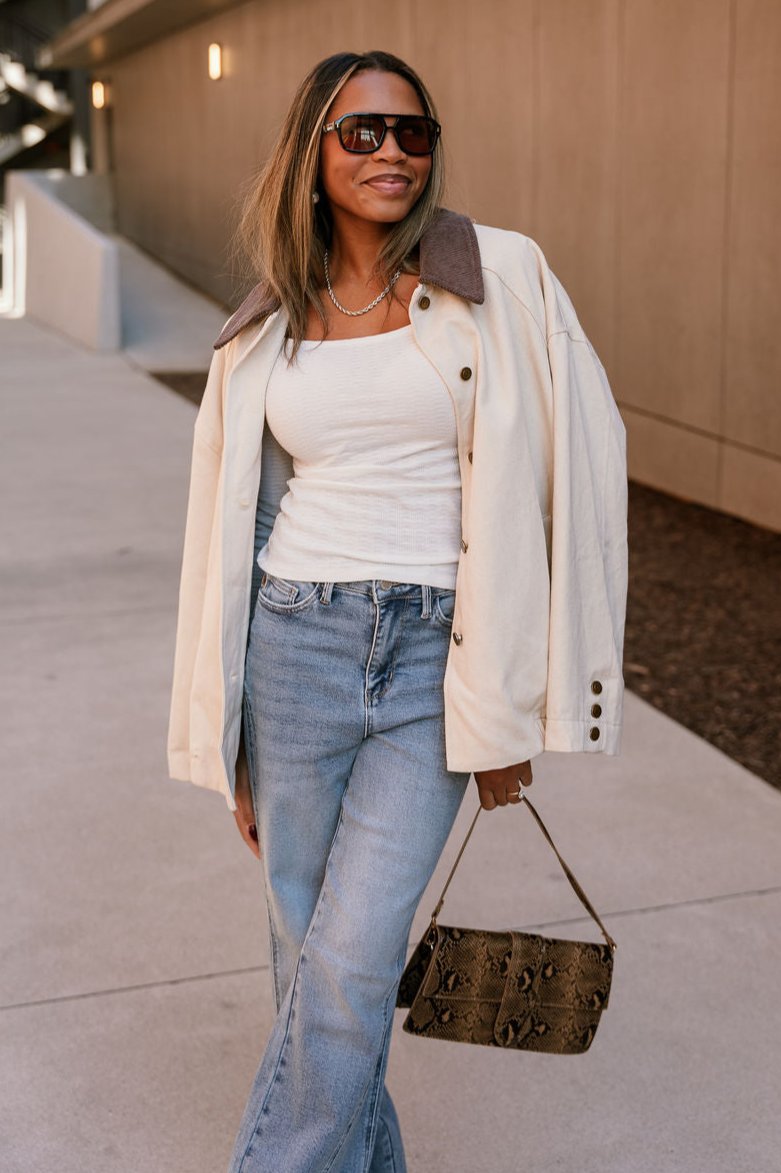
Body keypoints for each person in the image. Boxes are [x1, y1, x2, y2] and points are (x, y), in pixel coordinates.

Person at [167, 48, 628, 1173]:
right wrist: (232, 733)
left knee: (352, 963)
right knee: (310, 959)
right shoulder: (270, 311)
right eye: (361, 131)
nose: (390, 151)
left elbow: (585, 467)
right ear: (311, 153)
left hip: (433, 654)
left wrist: (518, 700)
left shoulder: (500, 274)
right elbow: (233, 528)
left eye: (411, 131)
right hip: (293, 647)